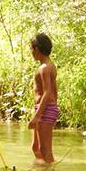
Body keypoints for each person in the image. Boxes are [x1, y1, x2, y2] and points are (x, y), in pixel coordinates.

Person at [28, 33, 59, 163]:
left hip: (45, 109)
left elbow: (47, 92)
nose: (31, 52)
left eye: (31, 49)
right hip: (44, 108)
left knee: (45, 149)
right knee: (36, 148)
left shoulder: (45, 68)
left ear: (37, 48)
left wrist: (37, 116)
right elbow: (55, 89)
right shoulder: (48, 66)